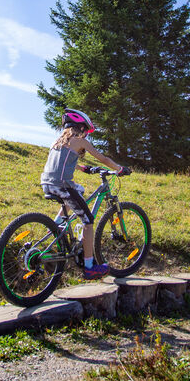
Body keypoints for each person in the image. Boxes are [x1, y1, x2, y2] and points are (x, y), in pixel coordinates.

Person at [40, 108, 131, 280]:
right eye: (86, 130)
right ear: (81, 127)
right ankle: (89, 267)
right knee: (88, 221)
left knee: (79, 190)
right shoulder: (80, 141)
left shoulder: (57, 142)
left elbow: (64, 161)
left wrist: (83, 168)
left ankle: (58, 224)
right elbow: (103, 159)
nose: (86, 134)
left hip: (47, 183)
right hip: (62, 186)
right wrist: (120, 169)